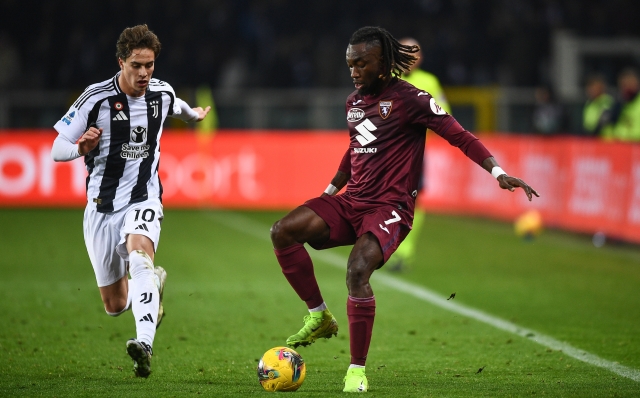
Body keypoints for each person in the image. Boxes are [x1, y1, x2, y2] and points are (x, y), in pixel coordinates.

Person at [270, 26, 538, 393]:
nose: (354, 71)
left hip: (390, 206)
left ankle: (356, 370)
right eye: (350, 64)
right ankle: (318, 315)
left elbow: (459, 134)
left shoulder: (412, 98)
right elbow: (354, 150)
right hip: (352, 202)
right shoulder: (353, 102)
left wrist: (498, 171)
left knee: (357, 269)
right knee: (282, 231)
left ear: (383, 63)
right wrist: (330, 191)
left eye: (361, 63)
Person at [51, 24, 210, 378]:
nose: (143, 73)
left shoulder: (161, 93)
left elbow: (179, 107)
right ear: (120, 61)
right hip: (101, 207)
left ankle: (145, 345)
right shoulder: (95, 98)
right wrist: (81, 147)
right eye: (136, 65)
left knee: (140, 256)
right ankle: (153, 287)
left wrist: (195, 115)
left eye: (149, 65)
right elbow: (56, 148)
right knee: (115, 304)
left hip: (144, 196)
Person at [389, 37, 451, 272]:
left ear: (421, 58)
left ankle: (404, 252)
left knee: (413, 199)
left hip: (413, 151)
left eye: (414, 53)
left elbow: (444, 114)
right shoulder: (385, 79)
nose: (411, 57)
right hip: (385, 151)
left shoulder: (429, 81)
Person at [602, 68, 640, 141]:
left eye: (630, 84)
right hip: (619, 147)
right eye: (624, 85)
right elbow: (607, 131)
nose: (627, 88)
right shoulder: (617, 104)